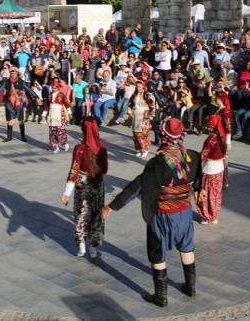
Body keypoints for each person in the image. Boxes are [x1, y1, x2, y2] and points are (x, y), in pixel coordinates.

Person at [101, 118, 202, 305]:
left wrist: (112, 206)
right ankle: (191, 288)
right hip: (185, 211)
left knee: (157, 252)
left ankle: (161, 296)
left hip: (162, 214)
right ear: (182, 135)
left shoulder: (157, 163)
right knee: (187, 247)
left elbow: (135, 188)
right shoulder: (194, 157)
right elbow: (197, 182)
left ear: (163, 134)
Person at [61, 117, 108, 259]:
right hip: (98, 183)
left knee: (81, 212)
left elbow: (74, 170)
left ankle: (81, 243)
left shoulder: (79, 149)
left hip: (82, 182)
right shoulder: (102, 147)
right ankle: (93, 247)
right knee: (97, 215)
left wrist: (66, 193)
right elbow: (105, 169)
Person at [0, 67, 41, 142]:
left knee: (20, 120)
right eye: (11, 73)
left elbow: (29, 90)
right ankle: (9, 137)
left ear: (17, 73)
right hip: (9, 102)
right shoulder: (6, 82)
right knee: (9, 120)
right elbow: (0, 89)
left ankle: (23, 136)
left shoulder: (21, 82)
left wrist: (36, 97)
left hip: (19, 102)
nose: (13, 75)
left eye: (14, 73)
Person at [196, 115, 227, 224]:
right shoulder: (221, 136)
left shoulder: (210, 140)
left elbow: (203, 154)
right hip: (219, 168)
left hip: (210, 168)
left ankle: (208, 216)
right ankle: (214, 215)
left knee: (206, 191)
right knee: (216, 192)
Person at [42, 80, 73, 153]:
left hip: (59, 114)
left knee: (60, 130)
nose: (54, 89)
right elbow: (47, 106)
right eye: (53, 88)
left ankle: (64, 143)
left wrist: (69, 113)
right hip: (51, 114)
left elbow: (67, 104)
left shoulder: (61, 94)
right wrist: (43, 115)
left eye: (55, 88)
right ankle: (55, 146)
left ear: (58, 87)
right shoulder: (49, 95)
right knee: (52, 131)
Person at [128, 81, 156, 157]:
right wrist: (130, 111)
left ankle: (145, 149)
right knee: (135, 133)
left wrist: (151, 114)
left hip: (143, 115)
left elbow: (152, 103)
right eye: (137, 87)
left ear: (143, 87)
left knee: (142, 133)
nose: (138, 88)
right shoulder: (134, 95)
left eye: (139, 87)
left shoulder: (147, 94)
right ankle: (140, 149)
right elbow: (130, 103)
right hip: (135, 115)